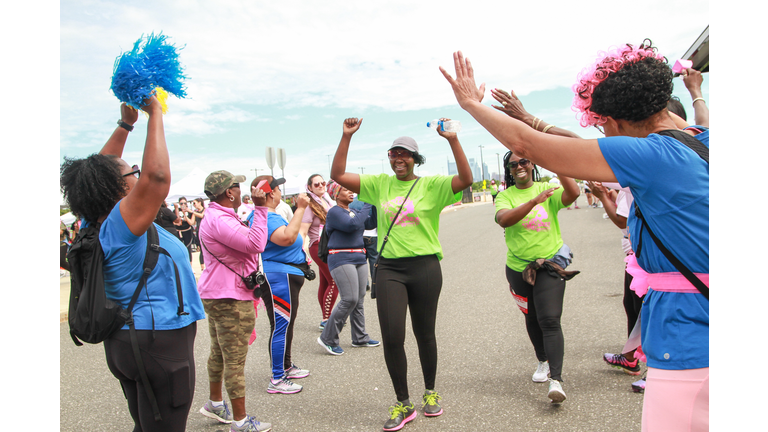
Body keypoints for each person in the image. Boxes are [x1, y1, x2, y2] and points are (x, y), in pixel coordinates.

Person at [442, 41, 708, 431]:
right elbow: (579, 146)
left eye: (602, 125)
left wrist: (471, 105)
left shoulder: (651, 156)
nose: (602, 134)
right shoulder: (701, 139)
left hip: (690, 329)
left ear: (616, 122)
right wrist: (532, 119)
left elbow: (530, 147)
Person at [59, 98, 205, 432]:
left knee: (147, 426)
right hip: (157, 342)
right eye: (133, 172)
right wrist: (155, 113)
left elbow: (95, 172)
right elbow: (157, 177)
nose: (139, 175)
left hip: (129, 341)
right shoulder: (122, 224)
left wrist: (126, 125)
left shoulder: (96, 220)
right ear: (114, 187)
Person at [331, 117, 473, 431]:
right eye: (394, 153)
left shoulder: (432, 185)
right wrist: (346, 136)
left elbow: (466, 179)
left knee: (425, 334)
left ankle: (430, 391)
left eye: (405, 154)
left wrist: (452, 139)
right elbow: (338, 175)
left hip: (425, 267)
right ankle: (403, 402)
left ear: (415, 159)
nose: (399, 158)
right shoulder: (379, 184)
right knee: (393, 336)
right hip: (390, 268)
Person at [489, 89, 580, 402]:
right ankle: (542, 359)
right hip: (518, 268)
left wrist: (555, 162)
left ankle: (557, 380)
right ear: (509, 170)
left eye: (524, 161)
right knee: (531, 318)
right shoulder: (505, 196)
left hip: (550, 263)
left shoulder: (548, 188)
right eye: (513, 164)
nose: (519, 166)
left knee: (549, 319)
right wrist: (532, 202)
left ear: (533, 164)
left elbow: (573, 194)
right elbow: (504, 219)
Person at [197, 170, 272, 432]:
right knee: (235, 361)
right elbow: (256, 244)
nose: (242, 190)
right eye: (238, 186)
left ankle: (215, 403)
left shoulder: (216, 216)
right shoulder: (221, 219)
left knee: (219, 352)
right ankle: (240, 422)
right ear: (229, 192)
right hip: (230, 298)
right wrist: (261, 209)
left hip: (218, 293)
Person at [248, 175, 312, 394]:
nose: (280, 193)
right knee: (281, 325)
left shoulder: (271, 215)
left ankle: (285, 366)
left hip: (285, 275)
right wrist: (300, 208)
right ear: (271, 193)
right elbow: (286, 238)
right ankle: (277, 377)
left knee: (286, 324)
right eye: (277, 189)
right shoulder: (266, 217)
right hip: (278, 277)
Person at [316, 180, 379, 355]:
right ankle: (328, 338)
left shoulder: (353, 211)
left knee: (358, 299)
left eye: (351, 190)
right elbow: (353, 225)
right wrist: (367, 203)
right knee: (349, 299)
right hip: (341, 258)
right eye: (346, 190)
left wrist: (374, 203)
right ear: (336, 194)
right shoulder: (335, 212)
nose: (351, 192)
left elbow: (370, 223)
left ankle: (360, 337)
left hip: (359, 257)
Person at [299, 174, 338, 330]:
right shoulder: (310, 205)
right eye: (316, 184)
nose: (321, 185)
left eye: (323, 183)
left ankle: (326, 317)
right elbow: (303, 231)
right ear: (309, 187)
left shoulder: (327, 201)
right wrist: (301, 252)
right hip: (318, 245)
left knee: (325, 282)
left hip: (329, 244)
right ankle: (327, 319)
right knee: (334, 281)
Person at [174, 197, 195, 263]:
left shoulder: (190, 211)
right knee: (179, 248)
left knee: (188, 248)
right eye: (181, 203)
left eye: (184, 203)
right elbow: (174, 221)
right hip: (179, 231)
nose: (183, 205)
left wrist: (186, 215)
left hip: (187, 231)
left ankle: (190, 264)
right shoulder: (176, 210)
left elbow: (192, 222)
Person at [190, 198, 207, 270]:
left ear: (199, 202)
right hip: (199, 232)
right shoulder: (195, 212)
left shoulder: (206, 209)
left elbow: (202, 215)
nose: (194, 205)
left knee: (207, 249)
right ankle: (203, 268)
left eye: (194, 203)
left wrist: (192, 212)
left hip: (206, 231)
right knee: (202, 250)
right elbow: (192, 222)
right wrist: (185, 215)